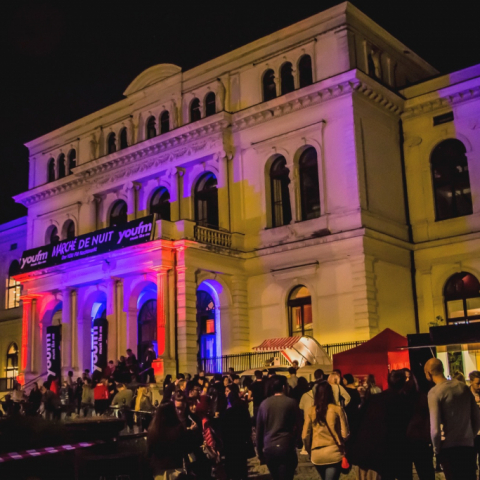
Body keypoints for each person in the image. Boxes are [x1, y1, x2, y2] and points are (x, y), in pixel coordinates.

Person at [426, 358, 480, 480]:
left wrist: (437, 449)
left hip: (449, 448)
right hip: (467, 446)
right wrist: (471, 436)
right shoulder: (463, 387)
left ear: (428, 373)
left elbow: (435, 429)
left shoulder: (434, 393)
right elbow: (477, 417)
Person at [302, 382, 349, 480]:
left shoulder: (311, 411)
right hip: (334, 453)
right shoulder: (337, 409)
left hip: (317, 454)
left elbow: (305, 435)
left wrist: (308, 449)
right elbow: (345, 434)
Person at [256, 375, 300, 480]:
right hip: (287, 445)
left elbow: (259, 430)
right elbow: (299, 424)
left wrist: (259, 451)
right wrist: (296, 441)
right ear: (284, 387)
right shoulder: (291, 402)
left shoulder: (264, 404)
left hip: (270, 447)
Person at [147, 402, 192, 479]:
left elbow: (149, 451)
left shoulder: (153, 430)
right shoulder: (178, 428)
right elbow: (185, 448)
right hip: (175, 467)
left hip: (158, 470)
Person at [221, 391, 254, 480]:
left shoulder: (227, 413)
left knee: (231, 465)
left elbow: (223, 429)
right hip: (241, 441)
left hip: (230, 443)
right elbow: (248, 425)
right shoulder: (244, 410)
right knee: (242, 464)